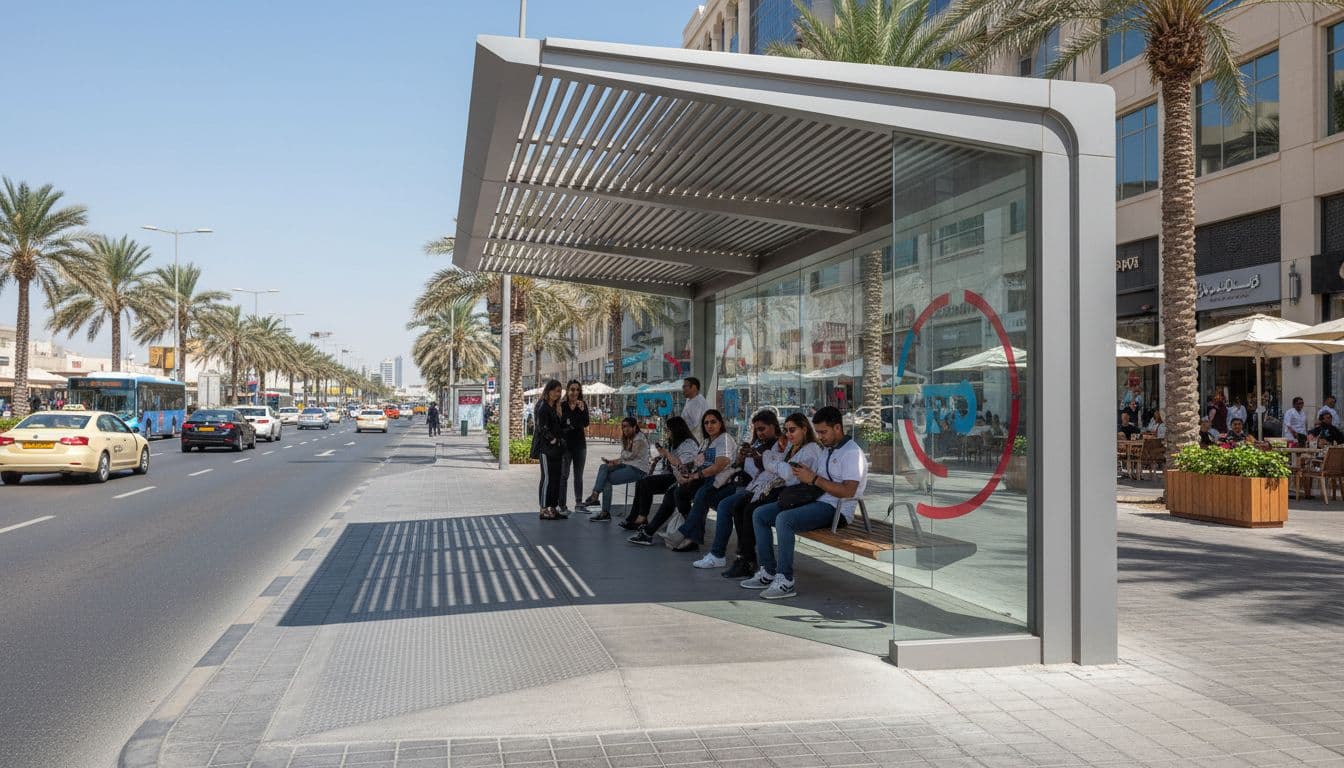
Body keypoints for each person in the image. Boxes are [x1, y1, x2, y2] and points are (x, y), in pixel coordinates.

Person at [741, 406, 867, 600]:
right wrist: (806, 474)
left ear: (838, 428)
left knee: (784, 520)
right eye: (818, 432)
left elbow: (848, 491)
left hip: (836, 508)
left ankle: (786, 579)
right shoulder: (828, 449)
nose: (821, 437)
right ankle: (768, 571)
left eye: (824, 432)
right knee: (760, 514)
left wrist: (814, 479)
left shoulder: (852, 453)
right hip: (816, 499)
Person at [695, 411, 815, 575]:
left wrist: (765, 458)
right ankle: (744, 558)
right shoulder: (770, 444)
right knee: (724, 502)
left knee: (748, 510)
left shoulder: (786, 445)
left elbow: (785, 472)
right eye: (787, 430)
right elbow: (764, 469)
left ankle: (754, 563)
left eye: (792, 430)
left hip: (780, 490)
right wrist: (748, 458)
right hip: (760, 486)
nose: (760, 433)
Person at [666, 409, 736, 553]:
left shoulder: (725, 439)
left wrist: (696, 476)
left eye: (713, 422)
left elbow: (720, 465)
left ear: (720, 423)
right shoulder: (706, 442)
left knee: (701, 496)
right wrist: (686, 468)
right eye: (706, 423)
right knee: (678, 492)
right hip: (704, 478)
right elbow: (698, 462)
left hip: (721, 481)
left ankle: (686, 533)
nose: (709, 425)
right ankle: (692, 529)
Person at [621, 417, 699, 534]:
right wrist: (662, 456)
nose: (667, 433)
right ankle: (637, 517)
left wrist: (666, 455)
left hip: (683, 478)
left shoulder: (688, 444)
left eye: (668, 430)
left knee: (647, 483)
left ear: (676, 430)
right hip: (674, 475)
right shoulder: (677, 442)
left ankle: (642, 518)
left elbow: (683, 467)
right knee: (643, 482)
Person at [579, 417, 651, 521]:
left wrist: (619, 460)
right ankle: (595, 495)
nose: (624, 429)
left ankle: (604, 510)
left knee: (606, 479)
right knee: (604, 467)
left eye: (627, 427)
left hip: (638, 469)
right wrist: (613, 461)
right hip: (628, 464)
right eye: (623, 427)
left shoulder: (639, 438)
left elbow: (631, 455)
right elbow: (625, 457)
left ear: (634, 427)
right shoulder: (627, 438)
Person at [530, 380, 567, 520]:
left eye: (559, 391)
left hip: (557, 450)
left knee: (556, 479)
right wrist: (553, 439)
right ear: (549, 390)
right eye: (556, 390)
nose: (558, 394)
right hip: (546, 449)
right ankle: (543, 509)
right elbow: (542, 427)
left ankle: (552, 507)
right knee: (547, 479)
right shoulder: (542, 407)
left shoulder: (554, 407)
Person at [558, 380, 590, 513]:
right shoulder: (561, 405)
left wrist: (582, 410)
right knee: (564, 475)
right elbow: (560, 425)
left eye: (577, 390)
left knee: (578, 476)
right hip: (566, 446)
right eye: (572, 389)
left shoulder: (582, 405)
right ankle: (562, 506)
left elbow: (586, 423)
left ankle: (578, 503)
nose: (575, 392)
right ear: (567, 390)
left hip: (580, 445)